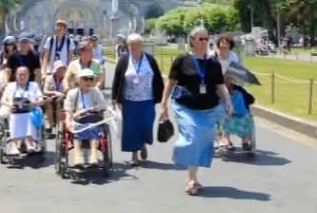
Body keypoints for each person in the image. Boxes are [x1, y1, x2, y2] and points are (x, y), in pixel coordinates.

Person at [160, 26, 231, 195]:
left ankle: (194, 176)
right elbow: (170, 84)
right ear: (192, 40)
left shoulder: (213, 63)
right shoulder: (181, 60)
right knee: (192, 136)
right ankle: (191, 179)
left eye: (207, 39)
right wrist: (163, 105)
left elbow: (220, 85)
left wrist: (228, 101)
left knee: (201, 141)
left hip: (209, 109)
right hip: (186, 107)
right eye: (201, 39)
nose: (205, 42)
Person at [111, 33, 164, 167]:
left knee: (146, 124)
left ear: (141, 46)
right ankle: (134, 155)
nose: (132, 47)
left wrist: (162, 97)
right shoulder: (124, 60)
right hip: (129, 100)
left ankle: (143, 143)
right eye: (130, 45)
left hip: (147, 99)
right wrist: (114, 97)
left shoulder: (150, 60)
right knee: (131, 128)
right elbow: (117, 79)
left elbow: (157, 77)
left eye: (135, 45)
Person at [64, 68, 107, 167]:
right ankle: (77, 157)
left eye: (91, 79)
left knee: (93, 128)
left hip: (92, 118)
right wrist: (68, 121)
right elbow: (68, 109)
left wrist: (91, 109)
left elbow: (103, 105)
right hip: (78, 120)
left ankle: (93, 156)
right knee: (77, 129)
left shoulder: (95, 92)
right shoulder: (73, 93)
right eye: (85, 79)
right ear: (79, 80)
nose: (88, 81)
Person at [0, 66, 44, 155]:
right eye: (20, 74)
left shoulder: (34, 85)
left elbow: (41, 100)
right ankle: (14, 144)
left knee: (29, 115)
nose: (22, 77)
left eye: (24, 74)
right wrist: (10, 105)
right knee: (14, 116)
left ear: (28, 75)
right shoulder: (11, 85)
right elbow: (2, 100)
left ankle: (29, 141)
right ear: (16, 76)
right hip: (14, 110)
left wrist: (34, 102)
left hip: (30, 110)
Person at [216, 75, 255, 151]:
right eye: (225, 80)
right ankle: (227, 140)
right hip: (225, 115)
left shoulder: (238, 89)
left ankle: (245, 141)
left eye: (228, 79)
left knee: (246, 118)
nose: (226, 81)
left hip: (238, 114)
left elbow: (251, 99)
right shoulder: (216, 89)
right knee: (224, 118)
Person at [42, 60, 67, 136]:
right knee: (48, 103)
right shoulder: (49, 78)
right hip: (51, 97)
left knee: (59, 103)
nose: (61, 71)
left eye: (62, 69)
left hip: (62, 98)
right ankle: (49, 126)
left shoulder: (66, 79)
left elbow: (67, 90)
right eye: (59, 69)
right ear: (55, 70)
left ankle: (60, 127)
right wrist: (54, 93)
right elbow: (45, 91)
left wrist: (63, 93)